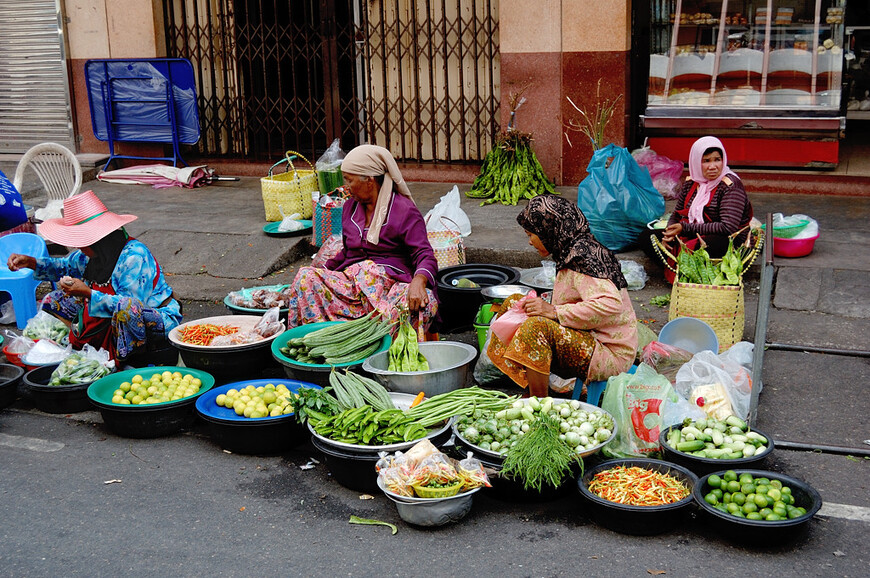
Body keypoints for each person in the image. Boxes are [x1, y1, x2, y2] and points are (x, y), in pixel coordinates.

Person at [487, 195, 637, 399]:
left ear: (549, 231)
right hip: (587, 334)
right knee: (514, 303)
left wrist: (553, 311)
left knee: (535, 328)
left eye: (531, 234)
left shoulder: (584, 257)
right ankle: (530, 389)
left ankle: (538, 405)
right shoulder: (570, 250)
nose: (530, 242)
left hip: (608, 351)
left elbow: (610, 305)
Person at [6, 190, 181, 363]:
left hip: (153, 316)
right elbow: (62, 266)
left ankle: (125, 362)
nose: (78, 247)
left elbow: (129, 304)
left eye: (82, 241)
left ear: (97, 240)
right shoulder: (89, 256)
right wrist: (31, 262)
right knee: (54, 299)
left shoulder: (134, 256)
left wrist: (89, 293)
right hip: (110, 316)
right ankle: (86, 350)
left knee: (126, 309)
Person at [285, 144, 438, 330]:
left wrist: (418, 281)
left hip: (389, 288)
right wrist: (322, 271)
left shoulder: (404, 211)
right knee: (305, 277)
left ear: (370, 180)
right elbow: (347, 252)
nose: (346, 187)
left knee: (423, 303)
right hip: (353, 288)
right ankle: (328, 338)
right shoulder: (350, 208)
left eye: (349, 180)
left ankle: (374, 343)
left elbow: (424, 254)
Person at [662, 136, 753, 259]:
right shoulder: (691, 182)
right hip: (694, 234)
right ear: (696, 162)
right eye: (706, 161)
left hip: (727, 239)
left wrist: (684, 229)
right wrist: (669, 233)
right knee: (648, 237)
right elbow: (676, 215)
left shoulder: (730, 185)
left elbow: (727, 227)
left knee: (712, 244)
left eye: (717, 160)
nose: (713, 166)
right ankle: (682, 258)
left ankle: (682, 259)